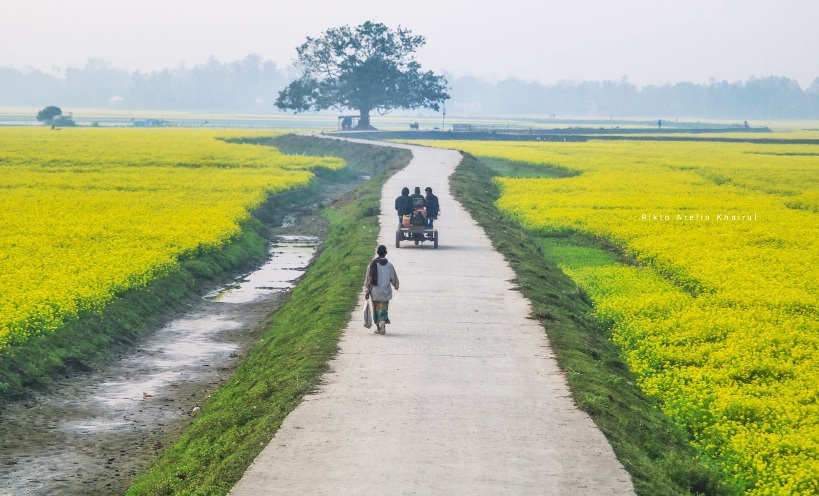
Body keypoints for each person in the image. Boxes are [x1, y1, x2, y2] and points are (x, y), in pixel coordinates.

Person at [364, 245, 399, 335]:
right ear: (385, 253)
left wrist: (367, 291)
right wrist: (396, 285)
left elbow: (368, 279)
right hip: (385, 291)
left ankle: (378, 328)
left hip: (375, 292)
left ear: (377, 253)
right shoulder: (389, 265)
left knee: (376, 309)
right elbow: (393, 277)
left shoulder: (371, 265)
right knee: (383, 308)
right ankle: (383, 320)